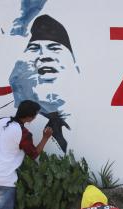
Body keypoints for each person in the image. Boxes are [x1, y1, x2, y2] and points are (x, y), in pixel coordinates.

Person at [9, 14, 77, 153]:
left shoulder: (2, 125)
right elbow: (33, 154)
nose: (44, 55)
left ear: (74, 64)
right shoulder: (21, 130)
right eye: (34, 48)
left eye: (54, 48)